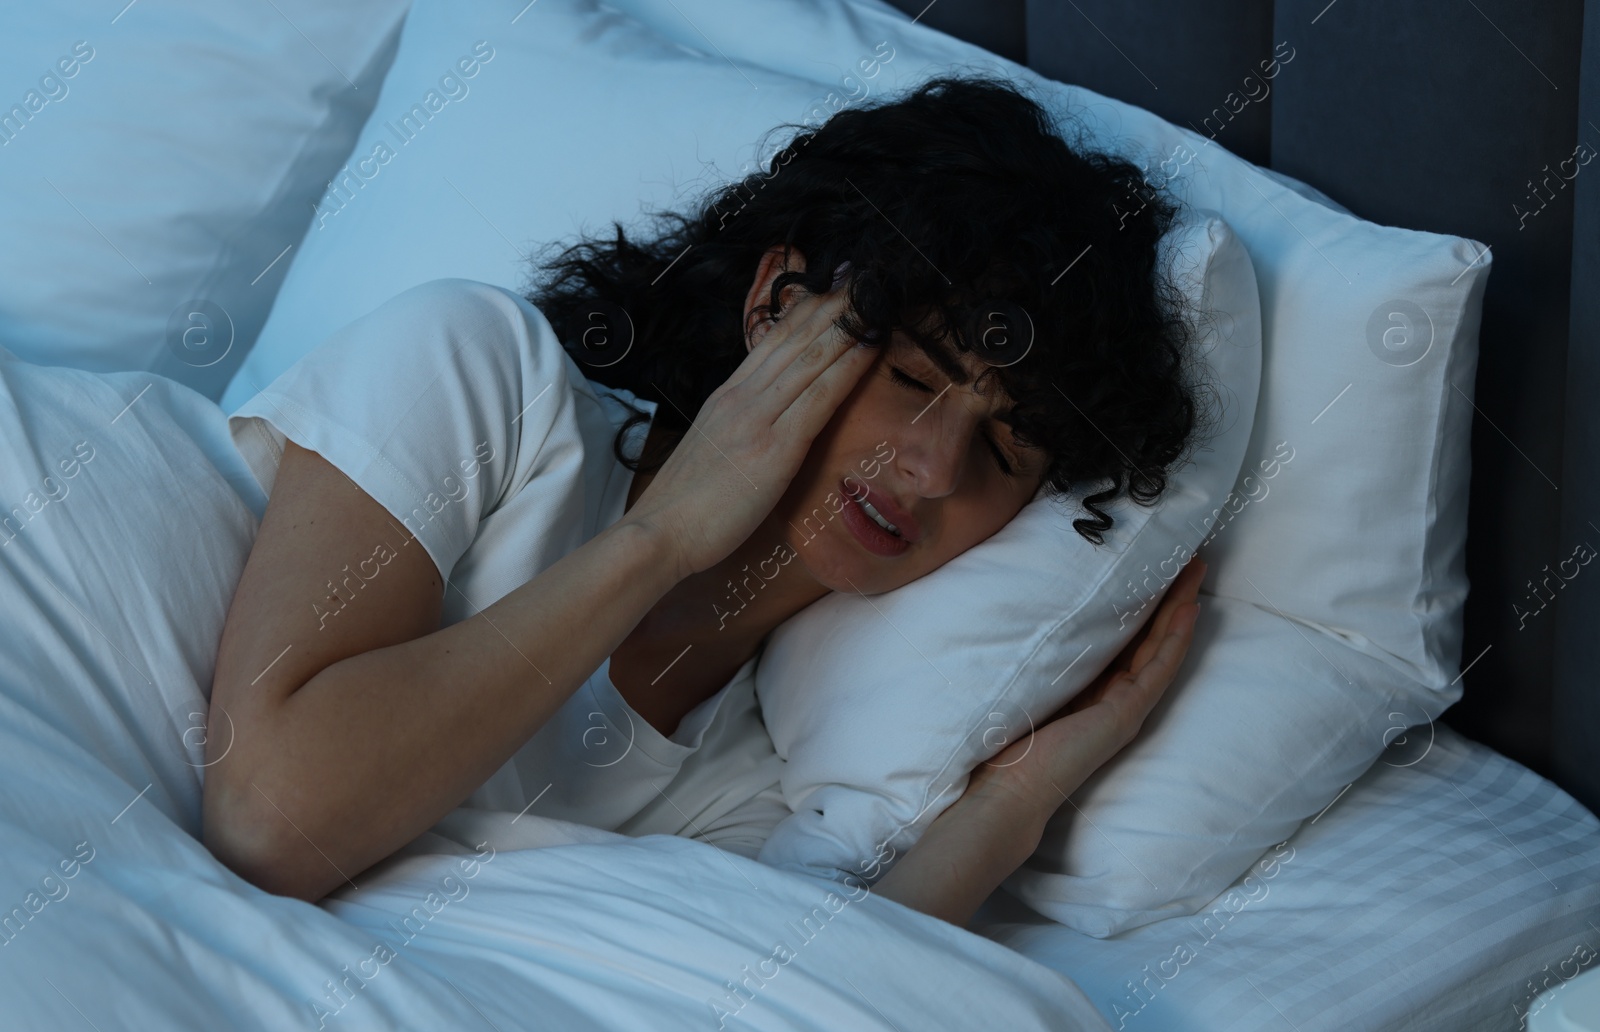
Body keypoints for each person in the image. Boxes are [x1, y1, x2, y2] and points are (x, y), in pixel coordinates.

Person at [202, 73, 1210, 919]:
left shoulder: (745, 782)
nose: (936, 467)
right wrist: (661, 538)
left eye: (1005, 447)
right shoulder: (484, 376)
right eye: (910, 379)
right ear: (777, 304)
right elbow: (268, 819)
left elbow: (792, 1016)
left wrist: (1017, 799)